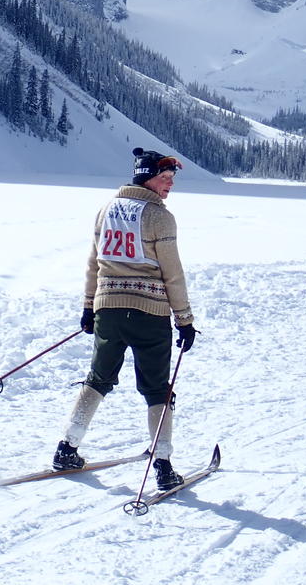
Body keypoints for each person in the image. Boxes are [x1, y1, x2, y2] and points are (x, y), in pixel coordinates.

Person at [52, 147, 198, 490]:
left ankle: (66, 448)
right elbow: (172, 273)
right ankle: (162, 465)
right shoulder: (159, 217)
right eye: (165, 179)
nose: (169, 186)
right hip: (150, 312)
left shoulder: (106, 210)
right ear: (147, 178)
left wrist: (89, 307)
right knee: (158, 389)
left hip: (109, 309)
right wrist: (185, 320)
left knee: (98, 379)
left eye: (171, 180)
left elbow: (94, 262)